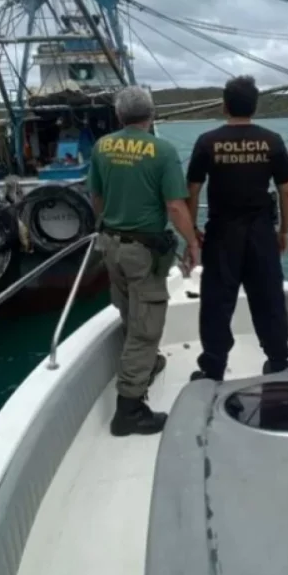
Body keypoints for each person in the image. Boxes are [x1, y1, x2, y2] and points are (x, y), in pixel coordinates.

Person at [89, 85, 200, 437]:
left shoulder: (101, 146)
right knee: (146, 326)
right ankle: (130, 411)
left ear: (119, 115)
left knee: (128, 311)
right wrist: (193, 243)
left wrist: (108, 226)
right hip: (143, 253)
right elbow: (174, 206)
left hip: (111, 245)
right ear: (151, 114)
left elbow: (96, 197)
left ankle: (147, 365)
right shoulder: (162, 150)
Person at [186, 76, 288, 381]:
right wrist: (284, 230)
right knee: (269, 297)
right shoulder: (272, 141)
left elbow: (193, 188)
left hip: (222, 232)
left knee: (217, 300)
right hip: (261, 231)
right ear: (255, 106)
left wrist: (192, 228)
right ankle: (277, 359)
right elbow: (286, 191)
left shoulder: (207, 141)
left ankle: (214, 366)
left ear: (224, 106)